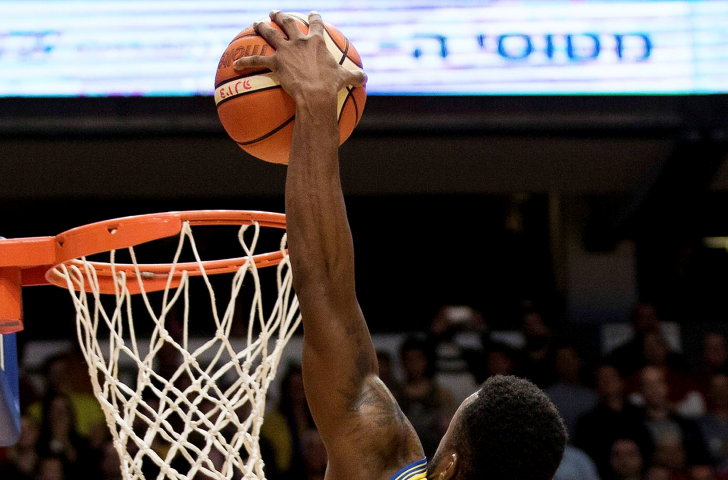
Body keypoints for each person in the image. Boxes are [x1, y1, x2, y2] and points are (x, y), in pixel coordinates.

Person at [234, 11, 567, 480]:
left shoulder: (383, 456)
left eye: (449, 432)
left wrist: (314, 98)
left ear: (447, 468)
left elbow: (324, 286)